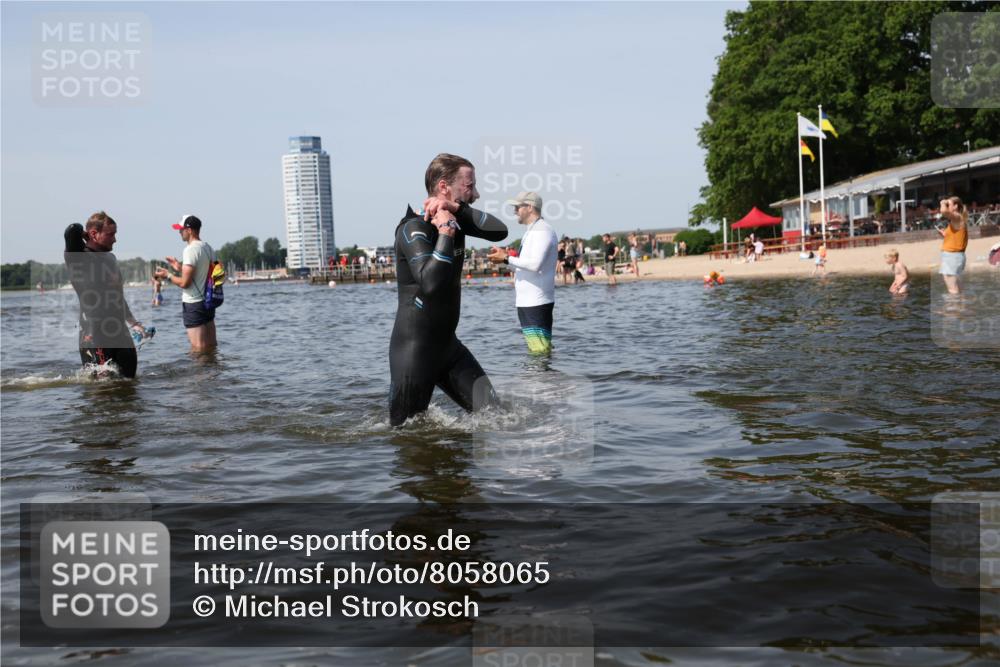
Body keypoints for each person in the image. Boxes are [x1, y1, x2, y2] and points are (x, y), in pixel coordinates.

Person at [389, 153, 508, 426]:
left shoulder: (458, 217)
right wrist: (445, 232)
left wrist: (457, 212)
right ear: (444, 186)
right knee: (407, 435)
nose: (476, 194)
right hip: (414, 352)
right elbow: (431, 283)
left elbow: (500, 231)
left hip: (448, 348)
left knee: (499, 418)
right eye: (470, 186)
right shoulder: (412, 228)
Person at [63, 211, 146, 378]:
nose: (115, 239)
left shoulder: (111, 258)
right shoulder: (78, 258)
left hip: (119, 331)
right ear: (93, 234)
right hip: (94, 334)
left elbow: (117, 295)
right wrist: (85, 233)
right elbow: (72, 231)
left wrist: (134, 323)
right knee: (102, 390)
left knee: (130, 382)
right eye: (110, 234)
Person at [488, 191, 557, 355]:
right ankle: (538, 380)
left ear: (530, 207)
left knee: (540, 352)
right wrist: (504, 260)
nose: (514, 211)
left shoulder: (543, 230)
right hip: (527, 302)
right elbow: (523, 267)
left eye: (517, 207)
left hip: (536, 302)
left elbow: (534, 265)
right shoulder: (532, 231)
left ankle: (541, 380)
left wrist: (507, 258)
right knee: (538, 351)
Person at [154, 215, 218, 352]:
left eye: (181, 229)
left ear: (189, 230)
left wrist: (168, 275)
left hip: (194, 304)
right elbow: (208, 271)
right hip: (208, 302)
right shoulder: (208, 248)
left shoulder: (190, 250)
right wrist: (179, 267)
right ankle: (214, 373)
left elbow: (185, 283)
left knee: (198, 350)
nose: (179, 232)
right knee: (211, 347)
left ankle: (199, 374)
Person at [937, 196, 968, 295]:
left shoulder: (957, 217)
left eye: (948, 204)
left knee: (952, 290)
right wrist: (945, 234)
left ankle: (952, 310)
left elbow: (944, 212)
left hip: (952, 257)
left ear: (955, 206)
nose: (946, 206)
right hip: (956, 256)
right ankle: (961, 309)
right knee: (958, 289)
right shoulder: (958, 219)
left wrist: (942, 202)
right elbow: (956, 238)